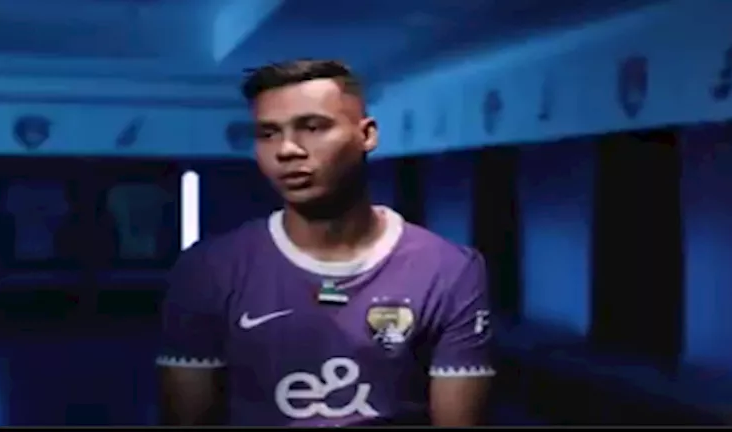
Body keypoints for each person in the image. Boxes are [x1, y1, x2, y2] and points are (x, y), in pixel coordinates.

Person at [156, 59, 495, 426]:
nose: (287, 150)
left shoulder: (451, 270)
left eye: (313, 127)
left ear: (367, 135)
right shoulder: (207, 271)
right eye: (268, 133)